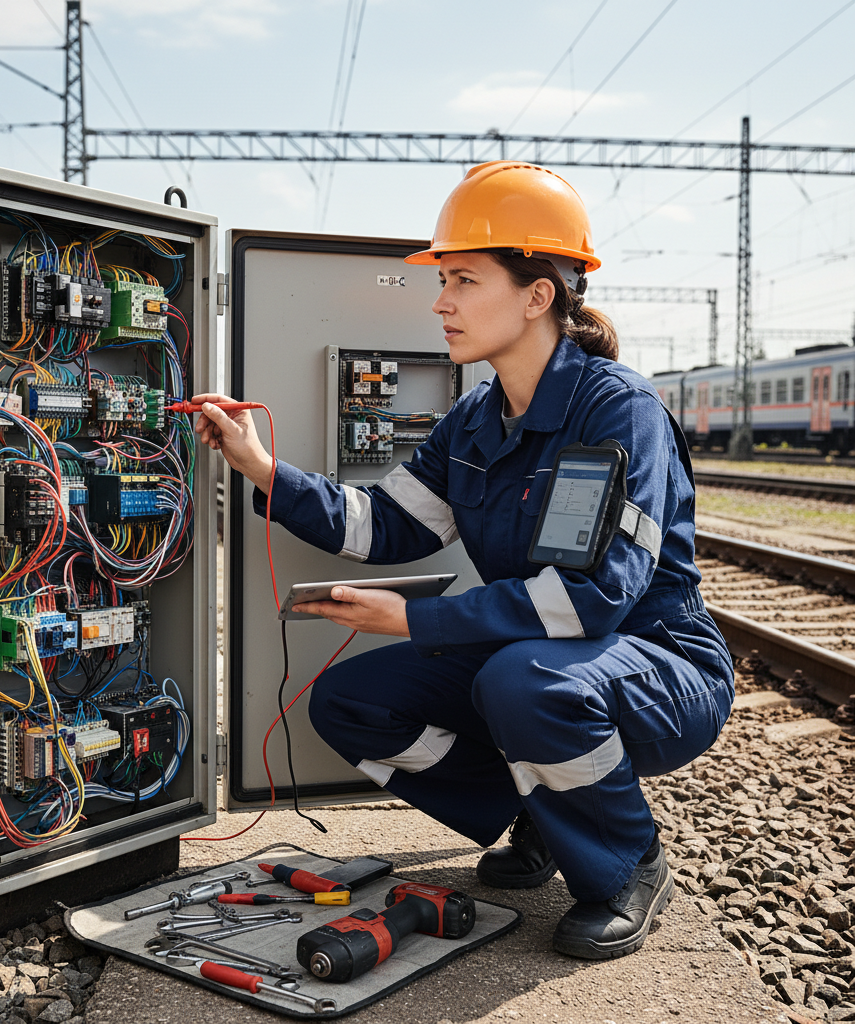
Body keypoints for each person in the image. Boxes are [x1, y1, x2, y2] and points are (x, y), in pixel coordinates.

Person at [191, 161, 734, 961]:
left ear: (537, 294)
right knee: (350, 703)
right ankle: (549, 817)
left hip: (658, 665)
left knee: (520, 681)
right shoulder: (475, 417)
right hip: (539, 660)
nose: (440, 302)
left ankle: (627, 865)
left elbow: (594, 599)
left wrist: (415, 618)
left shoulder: (615, 411)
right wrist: (263, 470)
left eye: (463, 280)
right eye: (443, 280)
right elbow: (389, 525)